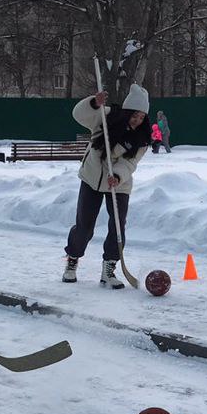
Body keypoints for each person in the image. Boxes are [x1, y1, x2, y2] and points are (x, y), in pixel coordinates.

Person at [62, 83, 152, 288]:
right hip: (92, 177)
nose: (137, 121)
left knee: (118, 226)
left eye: (141, 117)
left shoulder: (142, 138)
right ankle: (72, 260)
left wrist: (118, 176)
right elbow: (79, 114)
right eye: (134, 115)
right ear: (127, 111)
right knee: (84, 225)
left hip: (119, 185)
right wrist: (94, 103)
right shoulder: (106, 116)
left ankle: (109, 268)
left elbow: (130, 162)